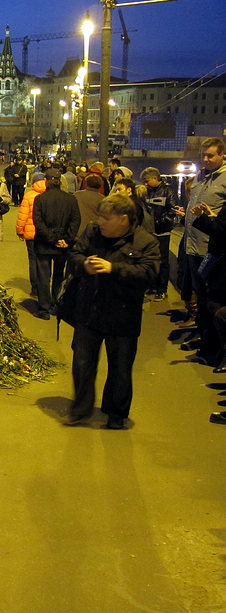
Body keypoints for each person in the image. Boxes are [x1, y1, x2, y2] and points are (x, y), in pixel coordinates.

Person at [62, 194, 160, 429]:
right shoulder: (92, 232)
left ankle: (116, 413)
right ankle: (81, 408)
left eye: (106, 218)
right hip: (89, 311)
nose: (101, 222)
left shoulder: (145, 241)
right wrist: (84, 265)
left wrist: (113, 268)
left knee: (120, 368)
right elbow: (74, 255)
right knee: (83, 363)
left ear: (123, 219)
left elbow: (150, 273)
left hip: (123, 316)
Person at [178, 138, 226, 363]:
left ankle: (212, 347)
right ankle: (204, 339)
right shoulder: (200, 176)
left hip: (212, 251)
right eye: (203, 155)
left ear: (222, 155)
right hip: (192, 247)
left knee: (210, 302)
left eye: (210, 156)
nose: (205, 159)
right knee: (200, 299)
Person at [32, 168, 80, 320]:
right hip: (63, 246)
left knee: (43, 276)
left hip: (44, 244)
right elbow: (75, 220)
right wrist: (66, 239)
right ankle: (55, 305)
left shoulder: (40, 199)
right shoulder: (71, 199)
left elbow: (38, 222)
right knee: (59, 275)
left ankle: (44, 308)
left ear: (46, 181)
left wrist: (51, 238)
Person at [189, 201, 226, 380]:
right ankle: (215, 349)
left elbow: (221, 232)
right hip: (221, 268)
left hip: (223, 269)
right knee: (214, 307)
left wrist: (203, 219)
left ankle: (217, 351)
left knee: (215, 306)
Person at [141, 167, 177, 300]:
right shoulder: (146, 191)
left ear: (156, 179)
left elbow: (173, 209)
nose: (145, 184)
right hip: (149, 231)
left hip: (162, 231)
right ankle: (152, 285)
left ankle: (162, 288)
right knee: (150, 259)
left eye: (147, 180)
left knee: (162, 260)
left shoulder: (168, 190)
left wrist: (159, 222)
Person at [16, 172, 47, 298]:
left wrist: (20, 231)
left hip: (30, 233)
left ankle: (34, 289)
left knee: (33, 260)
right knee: (44, 261)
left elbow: (22, 216)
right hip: (45, 233)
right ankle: (44, 287)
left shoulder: (29, 195)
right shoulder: (48, 194)